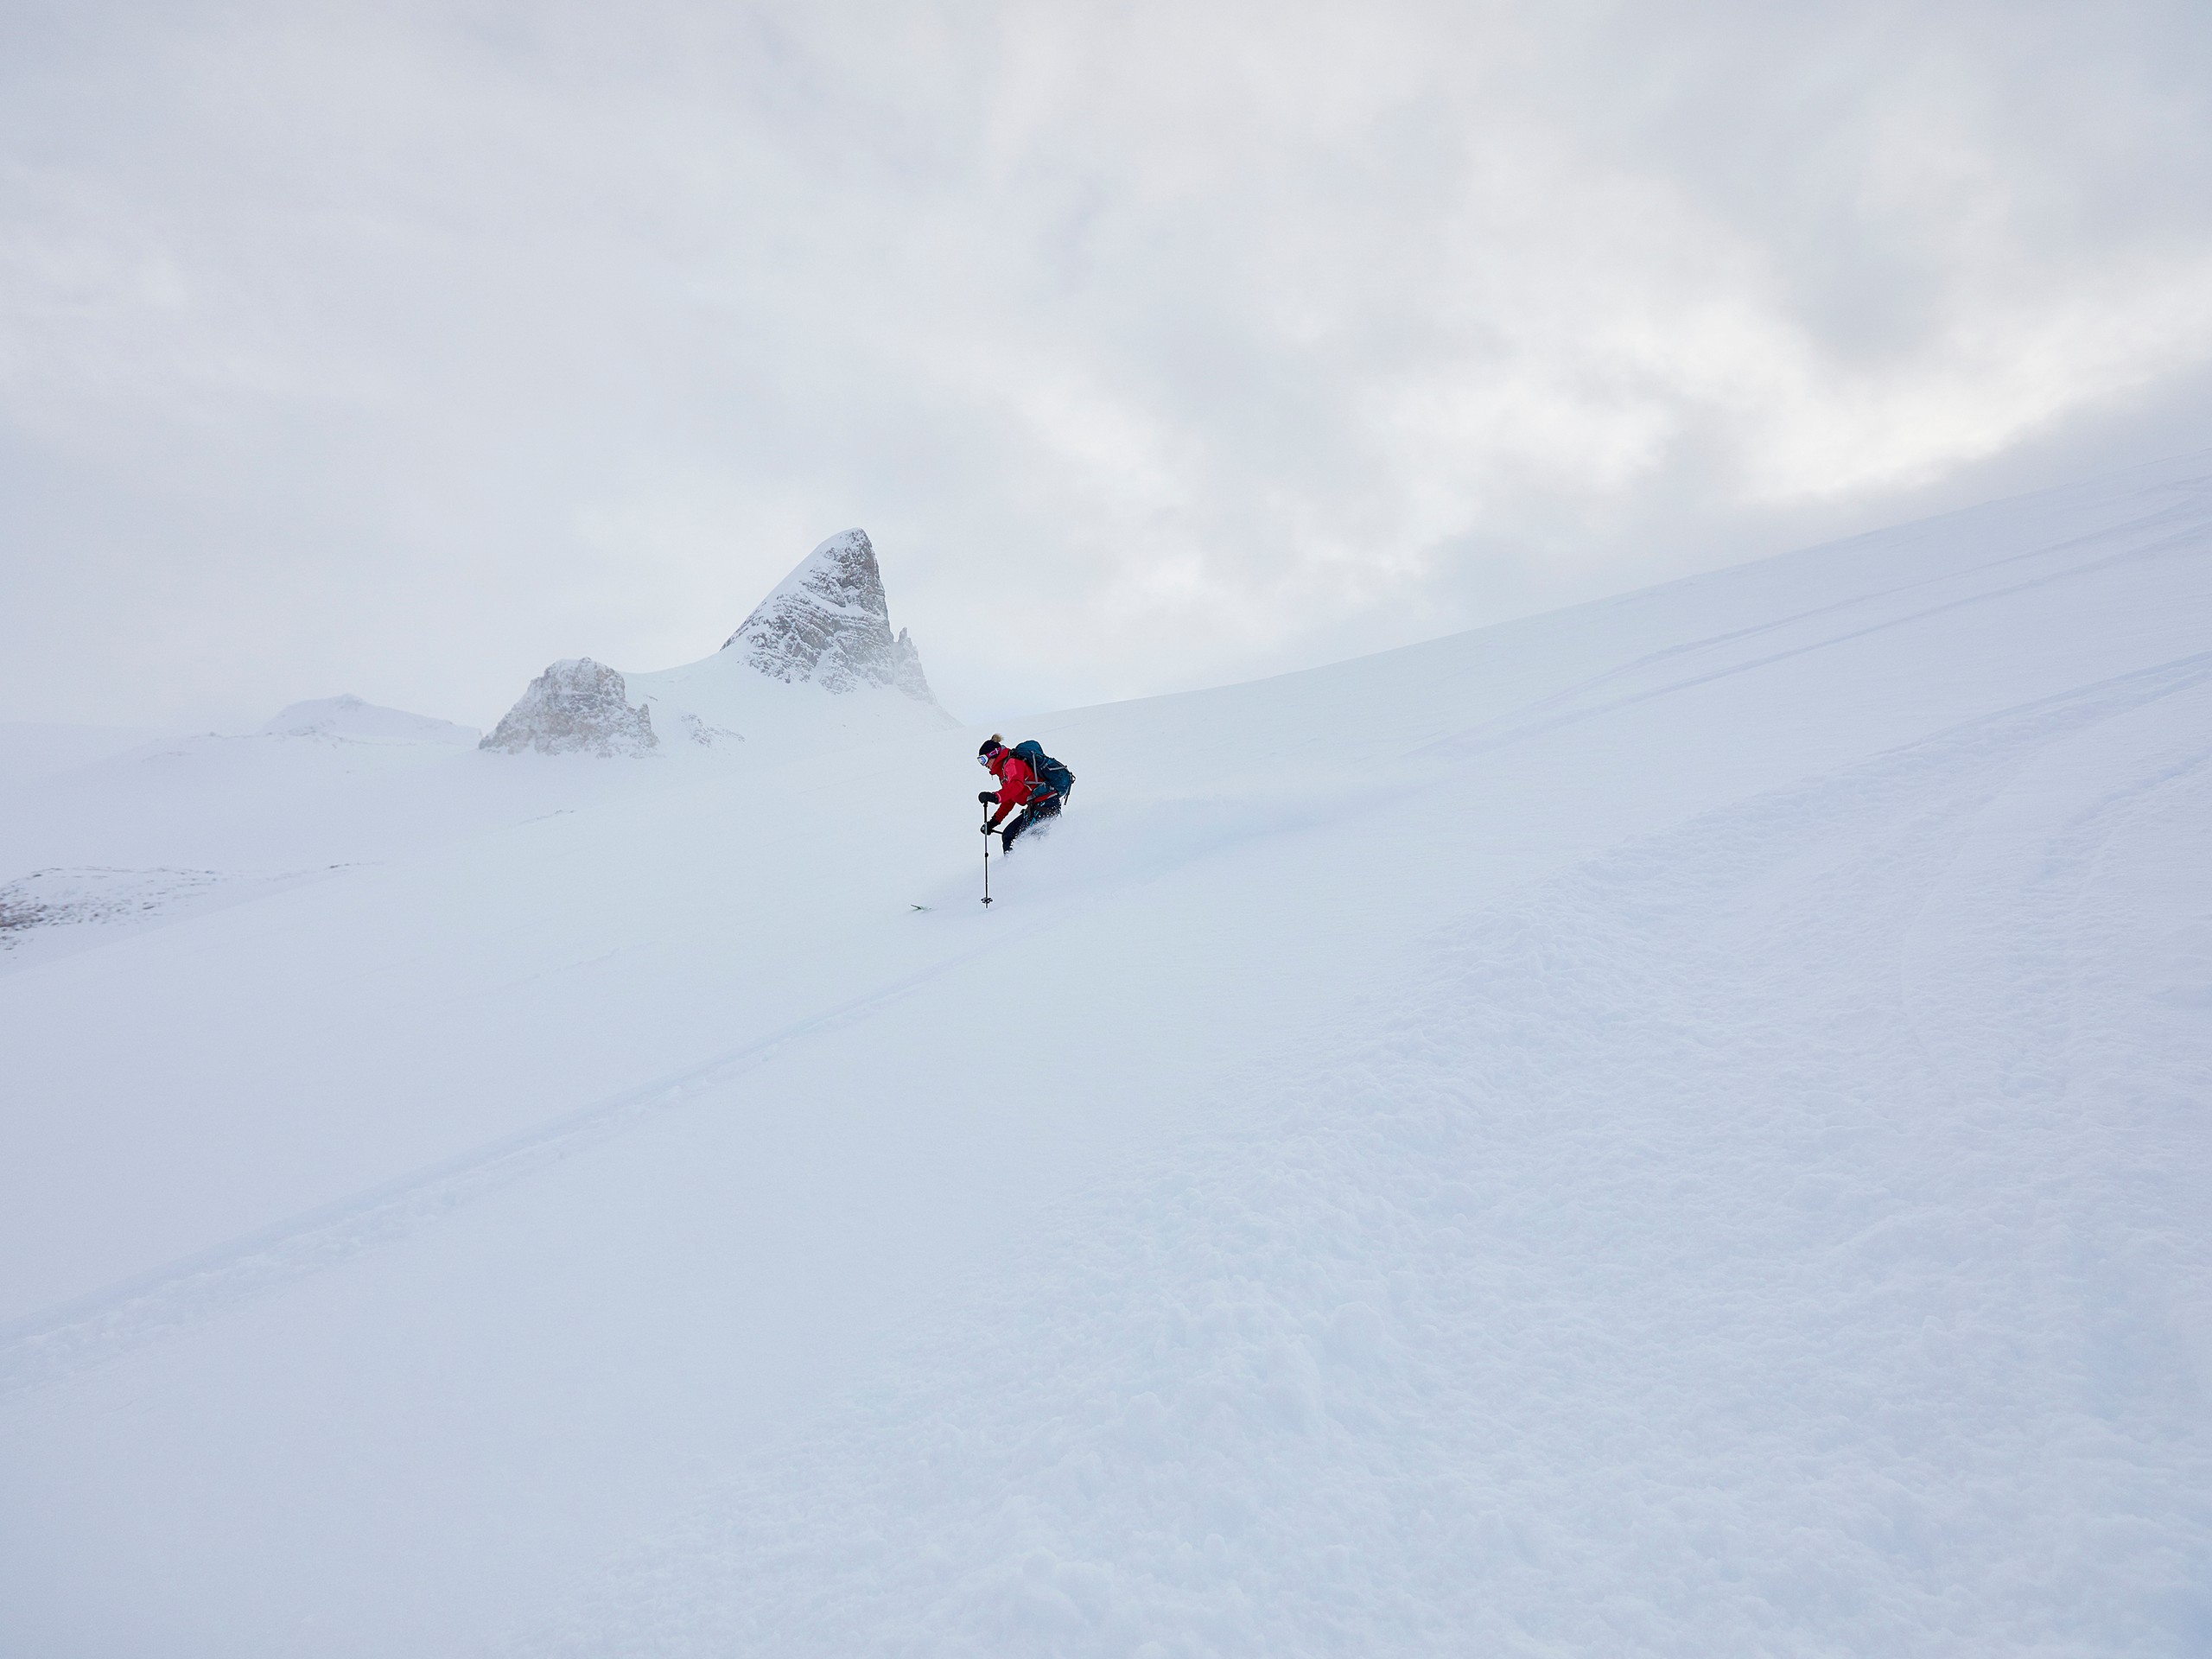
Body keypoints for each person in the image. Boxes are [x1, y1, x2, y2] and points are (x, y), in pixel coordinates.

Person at [977, 734, 1066, 851]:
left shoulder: (1012, 763)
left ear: (993, 754)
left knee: (1024, 840)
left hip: (1045, 804)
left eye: (983, 760)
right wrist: (994, 822)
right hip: (1036, 806)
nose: (984, 765)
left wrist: (995, 796)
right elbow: (1010, 798)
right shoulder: (1004, 771)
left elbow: (1016, 786)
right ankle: (1013, 866)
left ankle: (1026, 866)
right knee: (1008, 835)